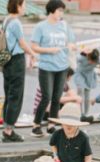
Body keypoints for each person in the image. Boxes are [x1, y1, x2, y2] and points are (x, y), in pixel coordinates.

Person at [30, 0, 75, 138]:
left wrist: (73, 46)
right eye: (59, 10)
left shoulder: (64, 25)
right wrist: (49, 50)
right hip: (46, 66)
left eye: (63, 11)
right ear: (51, 10)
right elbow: (34, 46)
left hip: (62, 66)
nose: (61, 13)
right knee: (46, 96)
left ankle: (52, 125)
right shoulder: (41, 27)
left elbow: (71, 42)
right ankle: (36, 125)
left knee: (56, 97)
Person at [2, 0, 35, 143]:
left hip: (6, 61)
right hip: (16, 60)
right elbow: (22, 43)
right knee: (16, 95)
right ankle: (9, 130)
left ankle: (6, 127)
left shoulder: (6, 20)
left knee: (9, 94)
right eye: (24, 5)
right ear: (18, 6)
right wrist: (33, 54)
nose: (25, 8)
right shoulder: (16, 22)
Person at [75, 48, 100, 120]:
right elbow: (73, 58)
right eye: (90, 60)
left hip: (89, 76)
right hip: (80, 75)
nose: (91, 62)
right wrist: (82, 52)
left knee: (87, 95)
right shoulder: (81, 58)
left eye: (93, 61)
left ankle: (86, 114)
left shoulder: (98, 59)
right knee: (80, 91)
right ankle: (80, 113)